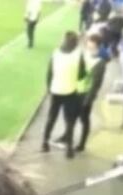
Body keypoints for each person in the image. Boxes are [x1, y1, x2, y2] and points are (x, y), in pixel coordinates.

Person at [42, 30, 84, 158]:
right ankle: (69, 149)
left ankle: (44, 142)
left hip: (56, 90)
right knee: (69, 121)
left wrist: (49, 88)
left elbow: (49, 73)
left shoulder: (55, 53)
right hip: (70, 91)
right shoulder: (78, 55)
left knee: (51, 118)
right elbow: (81, 75)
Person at [75, 33, 106, 151]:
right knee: (72, 116)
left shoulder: (100, 62)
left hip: (86, 94)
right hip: (77, 90)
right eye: (88, 41)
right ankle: (66, 136)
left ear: (96, 44)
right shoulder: (84, 55)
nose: (88, 44)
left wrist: (88, 99)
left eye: (91, 42)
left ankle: (82, 144)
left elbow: (96, 84)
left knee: (84, 119)